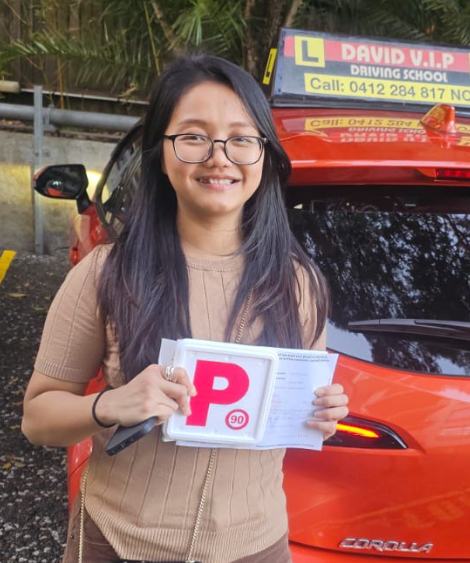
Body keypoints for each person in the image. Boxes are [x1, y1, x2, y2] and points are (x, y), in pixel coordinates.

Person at [22, 55, 349, 563]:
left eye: (242, 138)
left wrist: (322, 414)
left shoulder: (298, 283)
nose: (220, 157)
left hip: (256, 547)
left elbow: (299, 407)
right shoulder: (107, 272)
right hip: (118, 543)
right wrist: (109, 405)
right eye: (194, 136)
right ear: (161, 153)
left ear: (263, 153)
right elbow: (37, 418)